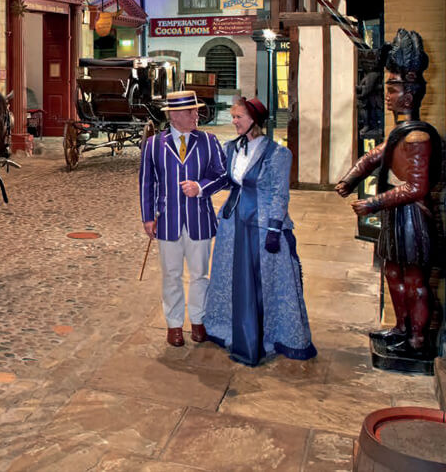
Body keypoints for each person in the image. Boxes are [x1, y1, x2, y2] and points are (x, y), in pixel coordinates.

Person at [335, 29, 442, 358]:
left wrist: (373, 203)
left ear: (409, 95)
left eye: (393, 88)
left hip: (412, 217)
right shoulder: (401, 131)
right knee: (392, 272)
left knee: (414, 279)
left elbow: (415, 187)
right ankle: (400, 327)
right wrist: (350, 179)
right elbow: (375, 155)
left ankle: (417, 339)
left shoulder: (419, 138)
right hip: (396, 218)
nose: (387, 94)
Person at [203, 97, 316, 366]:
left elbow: (280, 194)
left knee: (263, 284)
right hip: (233, 224)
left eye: (238, 116)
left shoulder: (278, 154)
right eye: (232, 117)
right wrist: (198, 187)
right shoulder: (229, 148)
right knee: (231, 277)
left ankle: (269, 337)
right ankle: (229, 329)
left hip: (262, 225)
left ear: (254, 119)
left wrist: (275, 228)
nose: (234, 121)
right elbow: (223, 180)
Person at [139, 90, 229, 347]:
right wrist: (148, 217)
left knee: (200, 274)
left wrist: (201, 188)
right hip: (167, 221)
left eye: (196, 110)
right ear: (175, 116)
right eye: (191, 111)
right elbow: (147, 183)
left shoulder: (209, 142)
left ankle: (199, 321)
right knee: (171, 275)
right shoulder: (154, 144)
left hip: (199, 220)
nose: (196, 115)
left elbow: (223, 176)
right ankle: (174, 324)